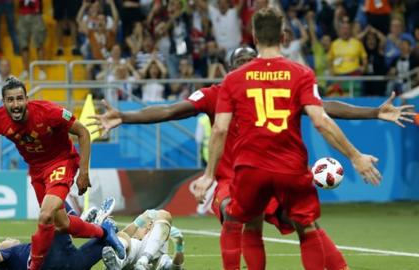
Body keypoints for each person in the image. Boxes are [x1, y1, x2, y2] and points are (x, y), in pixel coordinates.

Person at [87, 45, 415, 269]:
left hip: (272, 173)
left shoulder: (277, 88)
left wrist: (373, 112)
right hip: (233, 180)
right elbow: (172, 109)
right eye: (241, 65)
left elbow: (326, 108)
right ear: (231, 70)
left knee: (305, 222)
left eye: (250, 63)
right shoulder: (219, 93)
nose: (247, 69)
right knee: (236, 214)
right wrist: (125, 117)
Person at [194, 8, 382, 270]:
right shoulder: (301, 73)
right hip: (290, 167)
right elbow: (321, 120)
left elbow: (220, 130)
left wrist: (208, 175)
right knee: (306, 228)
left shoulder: (234, 79)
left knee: (244, 224)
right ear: (283, 37)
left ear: (255, 38)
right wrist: (355, 156)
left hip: (250, 168)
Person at [0, 76, 125, 270]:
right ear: (3, 102)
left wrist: (84, 172)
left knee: (45, 215)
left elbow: (83, 133)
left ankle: (34, 266)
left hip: (61, 162)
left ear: (27, 99)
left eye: (20, 98)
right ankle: (104, 232)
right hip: (37, 172)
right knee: (61, 224)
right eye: (10, 100)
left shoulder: (48, 111)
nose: (16, 104)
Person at [0, 198, 120, 270]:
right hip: (49, 259)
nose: (8, 238)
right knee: (50, 203)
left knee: (110, 237)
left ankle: (92, 226)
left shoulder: (20, 255)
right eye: (3, 241)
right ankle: (81, 223)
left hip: (72, 264)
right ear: (2, 250)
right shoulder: (9, 257)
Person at [101, 209, 185, 270]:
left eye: (152, 223)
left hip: (152, 260)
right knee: (125, 238)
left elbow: (176, 267)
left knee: (165, 214)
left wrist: (179, 245)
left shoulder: (160, 240)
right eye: (146, 223)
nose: (149, 226)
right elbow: (123, 236)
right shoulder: (133, 240)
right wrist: (139, 221)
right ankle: (117, 262)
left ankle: (142, 261)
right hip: (130, 256)